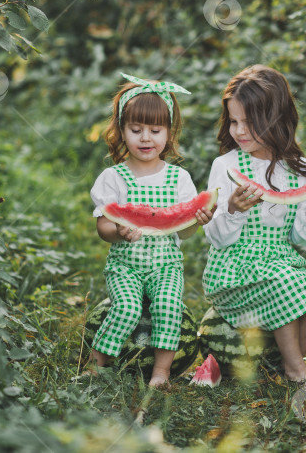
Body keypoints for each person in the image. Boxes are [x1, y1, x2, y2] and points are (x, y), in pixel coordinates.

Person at [202, 64, 306, 383]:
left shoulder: (299, 168)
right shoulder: (225, 165)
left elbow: (302, 242)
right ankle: (296, 374)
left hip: (280, 261)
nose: (239, 131)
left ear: (276, 119)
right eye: (233, 121)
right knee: (282, 288)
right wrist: (233, 209)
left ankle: (278, 370)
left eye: (249, 123)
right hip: (233, 269)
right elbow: (216, 238)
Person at [89, 73, 213, 387]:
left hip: (166, 267)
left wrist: (194, 221)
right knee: (127, 309)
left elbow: (182, 232)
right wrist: (118, 230)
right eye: (136, 130)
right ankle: (94, 365)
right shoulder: (112, 178)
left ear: (169, 133)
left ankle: (160, 373)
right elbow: (103, 226)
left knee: (169, 307)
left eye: (155, 131)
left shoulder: (179, 178)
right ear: (121, 131)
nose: (146, 138)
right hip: (124, 266)